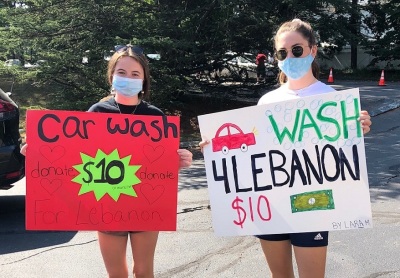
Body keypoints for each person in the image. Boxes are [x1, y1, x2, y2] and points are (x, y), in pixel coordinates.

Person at [199, 19, 371, 278]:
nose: (290, 56)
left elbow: (338, 159)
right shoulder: (267, 100)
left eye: (297, 50)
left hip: (311, 206)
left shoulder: (331, 100)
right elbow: (253, 147)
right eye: (282, 53)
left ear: (313, 50)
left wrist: (358, 127)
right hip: (271, 206)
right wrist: (217, 147)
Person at [21, 44, 193, 278]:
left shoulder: (155, 116)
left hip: (145, 207)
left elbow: (160, 167)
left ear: (144, 81)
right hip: (106, 206)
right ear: (111, 76)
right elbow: (73, 158)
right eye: (122, 73)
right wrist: (38, 153)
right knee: (116, 275)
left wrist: (180, 160)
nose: (128, 78)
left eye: (135, 74)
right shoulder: (97, 112)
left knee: (144, 272)